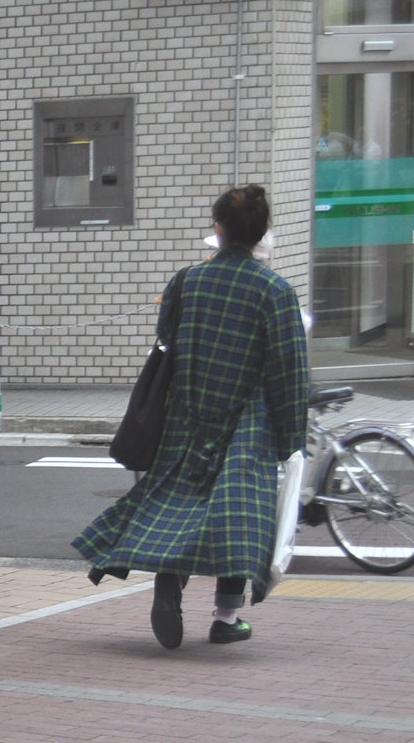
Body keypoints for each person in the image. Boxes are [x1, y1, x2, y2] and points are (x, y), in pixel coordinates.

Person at [75, 185, 311, 648]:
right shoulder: (275, 292)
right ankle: (226, 618)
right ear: (262, 233)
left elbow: (166, 341)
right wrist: (290, 440)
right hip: (247, 420)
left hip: (185, 413)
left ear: (218, 230)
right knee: (238, 516)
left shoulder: (185, 281)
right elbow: (289, 374)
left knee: (174, 502)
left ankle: (168, 582)